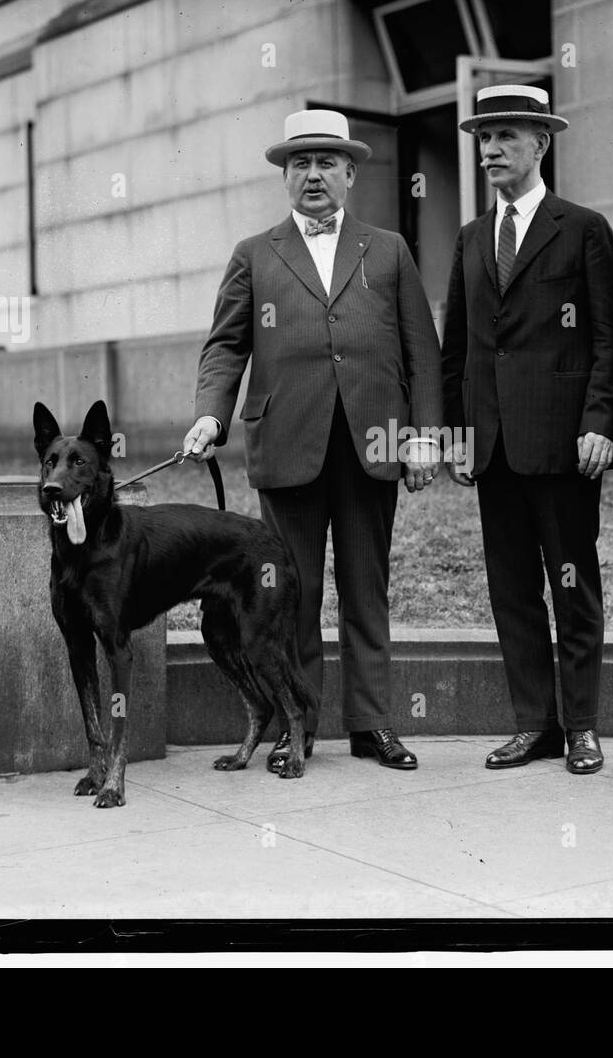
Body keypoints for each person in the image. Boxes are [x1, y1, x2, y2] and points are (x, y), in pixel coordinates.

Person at [184, 109, 443, 773]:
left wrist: (428, 438)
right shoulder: (254, 254)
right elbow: (225, 347)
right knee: (286, 593)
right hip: (286, 447)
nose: (314, 174)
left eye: (328, 161)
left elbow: (423, 353)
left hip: (372, 444)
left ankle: (373, 723)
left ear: (351, 173)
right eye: (301, 163)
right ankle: (297, 724)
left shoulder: (388, 250)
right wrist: (210, 414)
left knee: (367, 588)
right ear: (284, 177)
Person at [441, 84, 613, 775]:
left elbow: (611, 338)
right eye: (484, 138)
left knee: (573, 586)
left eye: (506, 137)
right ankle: (534, 724)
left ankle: (581, 725)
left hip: (563, 450)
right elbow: (454, 349)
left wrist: (601, 423)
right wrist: (457, 435)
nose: (490, 149)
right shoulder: (469, 239)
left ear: (541, 143)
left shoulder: (582, 229)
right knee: (511, 590)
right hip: (493, 451)